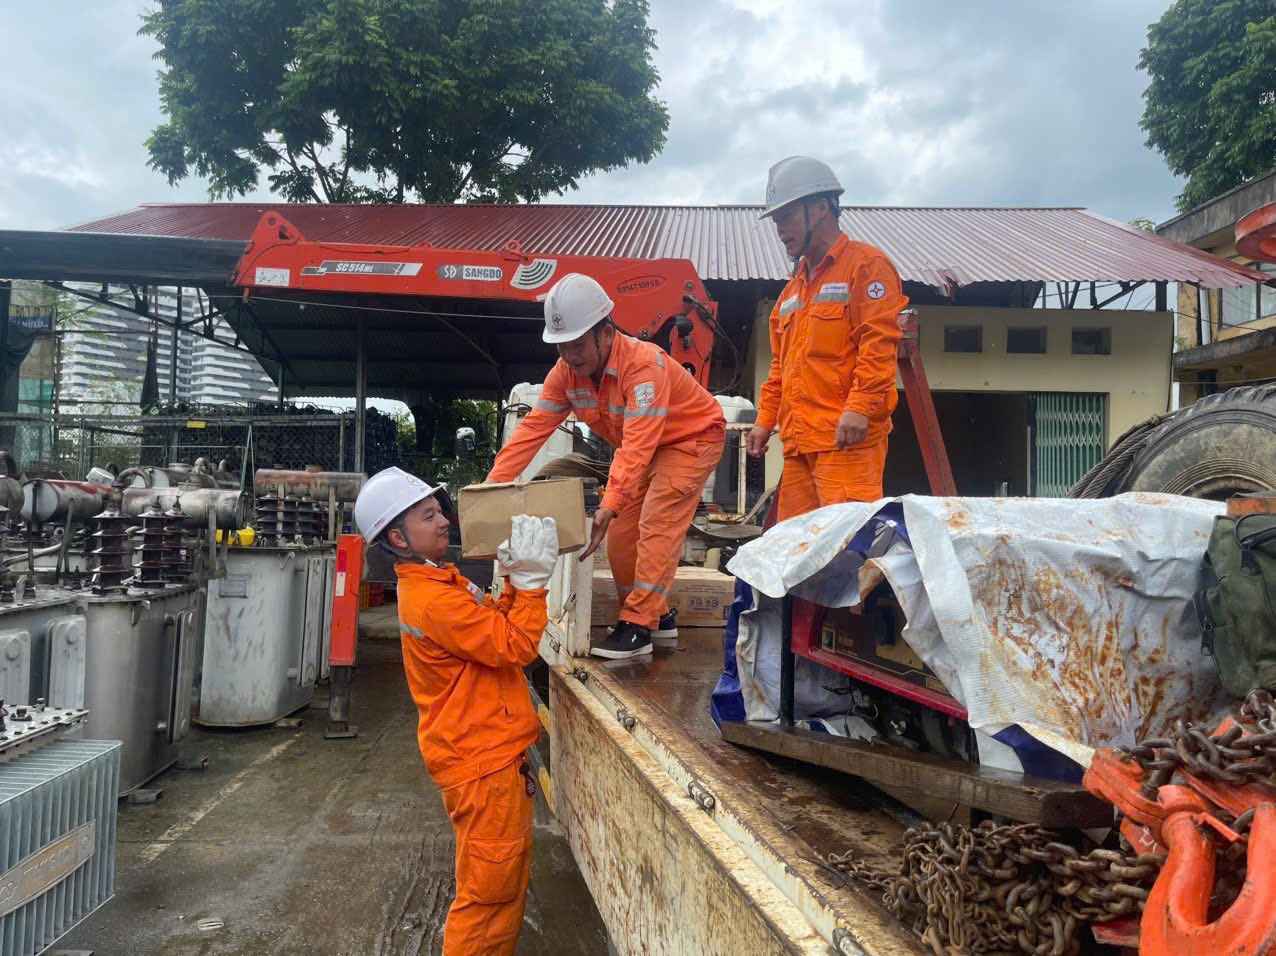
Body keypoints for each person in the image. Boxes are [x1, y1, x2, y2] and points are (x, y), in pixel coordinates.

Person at [353, 466, 559, 956]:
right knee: (488, 896)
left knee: (501, 884)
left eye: (439, 509)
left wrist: (510, 583)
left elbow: (489, 631)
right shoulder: (433, 601)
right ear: (399, 538)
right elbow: (513, 647)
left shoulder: (440, 583)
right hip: (482, 764)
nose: (444, 519)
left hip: (485, 757)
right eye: (428, 516)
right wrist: (531, 587)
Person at [487, 273, 725, 661]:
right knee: (620, 538)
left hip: (691, 440)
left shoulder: (643, 367)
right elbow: (531, 431)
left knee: (656, 523)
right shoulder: (565, 375)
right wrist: (491, 488)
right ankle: (659, 617)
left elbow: (637, 445)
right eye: (562, 347)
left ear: (606, 331)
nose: (571, 356)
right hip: (646, 448)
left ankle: (638, 624)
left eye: (578, 345)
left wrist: (609, 502)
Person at [746, 156, 909, 520]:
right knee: (799, 554)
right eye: (776, 220)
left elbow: (878, 345)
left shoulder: (866, 267)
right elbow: (781, 367)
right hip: (799, 444)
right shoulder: (792, 292)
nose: (780, 229)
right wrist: (764, 420)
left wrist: (859, 409)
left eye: (786, 217)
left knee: (843, 552)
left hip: (846, 443)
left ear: (819, 208)